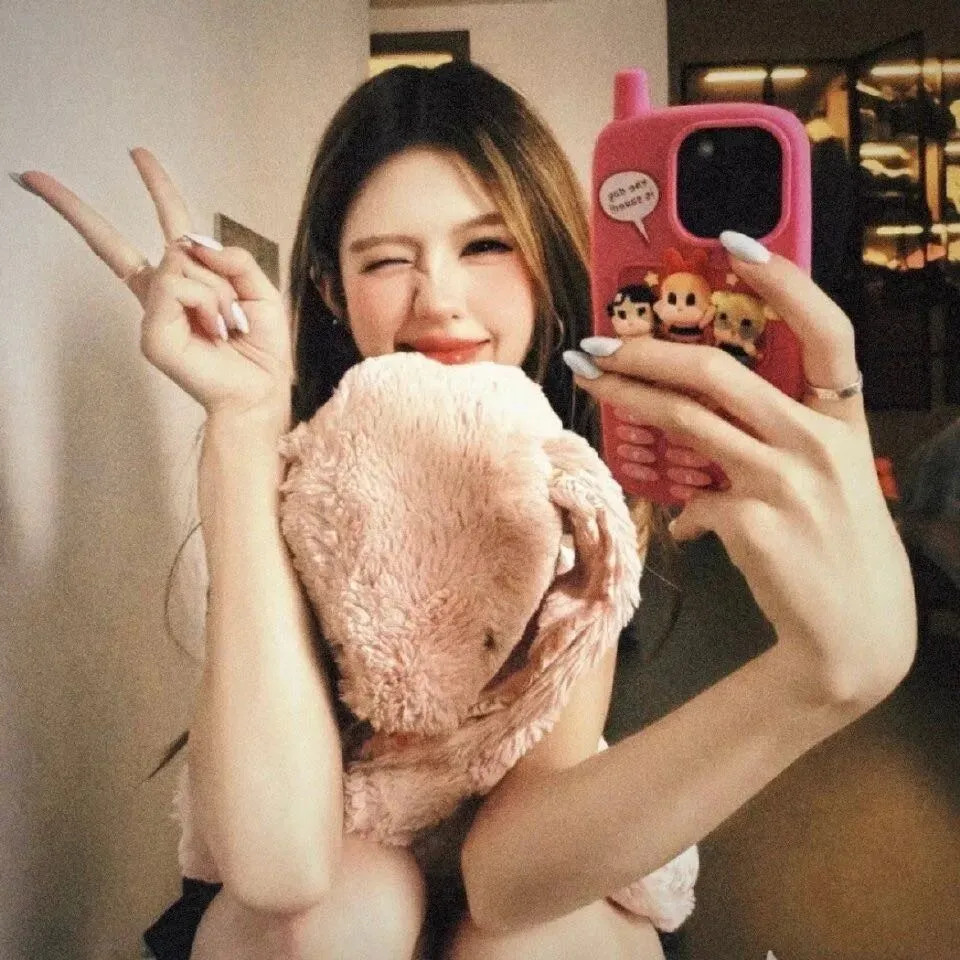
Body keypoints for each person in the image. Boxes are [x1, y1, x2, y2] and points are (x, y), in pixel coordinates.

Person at [15, 62, 916, 960]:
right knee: (336, 917)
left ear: (547, 262)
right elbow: (280, 868)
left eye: (486, 246)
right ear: (329, 288)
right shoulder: (310, 484)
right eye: (387, 259)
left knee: (534, 945)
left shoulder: (579, 479)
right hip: (331, 875)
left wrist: (818, 677)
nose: (439, 299)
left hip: (533, 880)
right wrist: (242, 429)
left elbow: (507, 879)